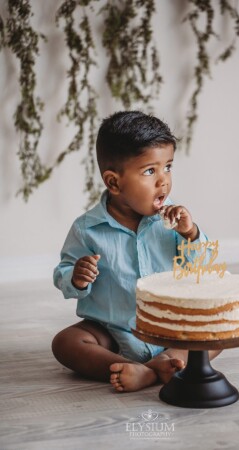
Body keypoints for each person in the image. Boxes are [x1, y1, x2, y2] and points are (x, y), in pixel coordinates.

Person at [52, 111, 221, 392]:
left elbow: (202, 268)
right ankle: (140, 368)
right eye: (149, 171)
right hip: (112, 331)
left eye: (168, 167)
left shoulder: (175, 223)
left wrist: (191, 234)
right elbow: (64, 274)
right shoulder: (87, 229)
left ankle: (156, 368)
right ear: (114, 182)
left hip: (171, 326)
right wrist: (76, 277)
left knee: (216, 329)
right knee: (65, 343)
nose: (163, 181)